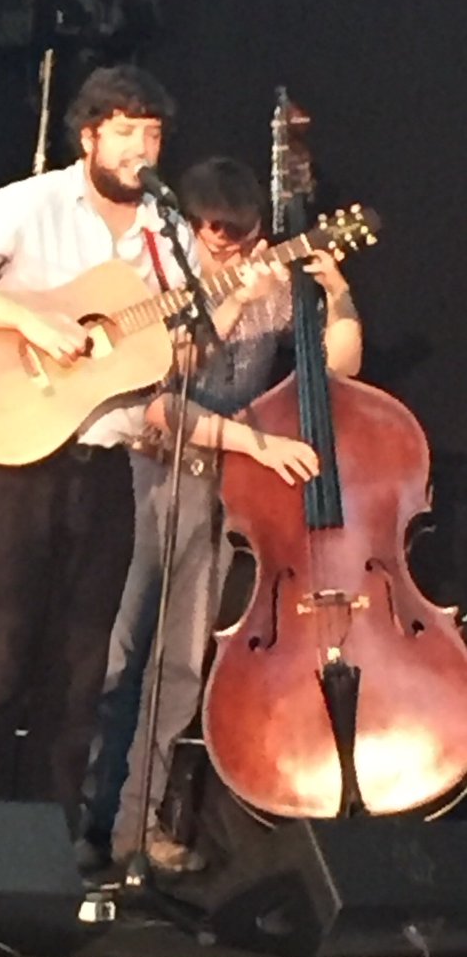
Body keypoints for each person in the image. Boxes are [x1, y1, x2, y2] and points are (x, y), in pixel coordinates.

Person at [0, 64, 189, 832]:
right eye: (126, 130)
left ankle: (50, 849)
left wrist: (230, 308)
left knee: (79, 674)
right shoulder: (31, 204)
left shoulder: (171, 234)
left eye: (153, 133)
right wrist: (31, 324)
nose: (141, 147)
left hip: (106, 469)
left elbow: (173, 350)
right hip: (15, 459)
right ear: (91, 134)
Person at [82, 155, 362, 873]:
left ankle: (134, 828)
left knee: (180, 665)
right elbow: (166, 390)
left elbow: (340, 371)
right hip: (150, 476)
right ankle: (80, 818)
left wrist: (336, 294)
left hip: (220, 486)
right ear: (190, 226)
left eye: (238, 237)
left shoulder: (270, 285)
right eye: (212, 234)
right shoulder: (156, 278)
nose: (225, 248)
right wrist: (232, 304)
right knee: (119, 656)